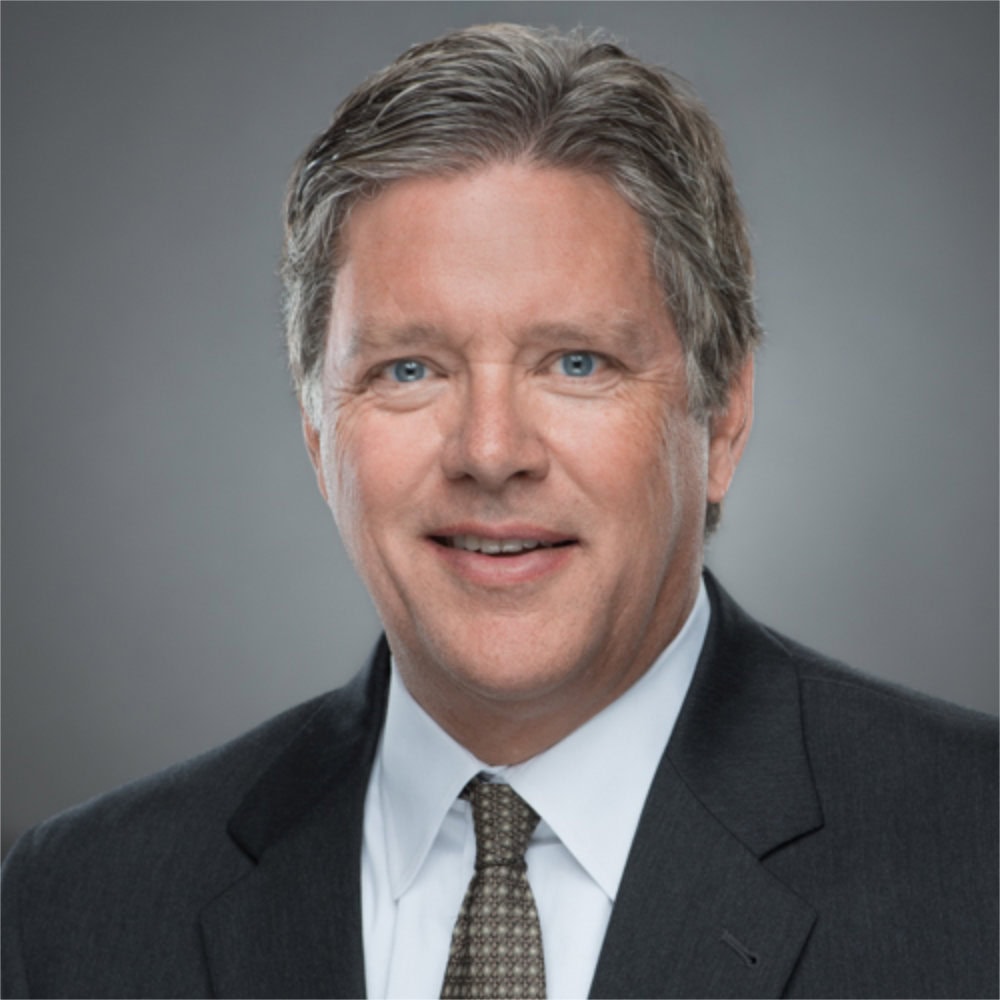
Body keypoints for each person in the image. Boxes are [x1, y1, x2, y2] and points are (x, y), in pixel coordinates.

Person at [2, 23, 995, 1000]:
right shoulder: (80, 904)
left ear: (721, 416)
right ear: (316, 426)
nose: (489, 452)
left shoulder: (974, 861)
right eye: (408, 368)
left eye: (575, 362)